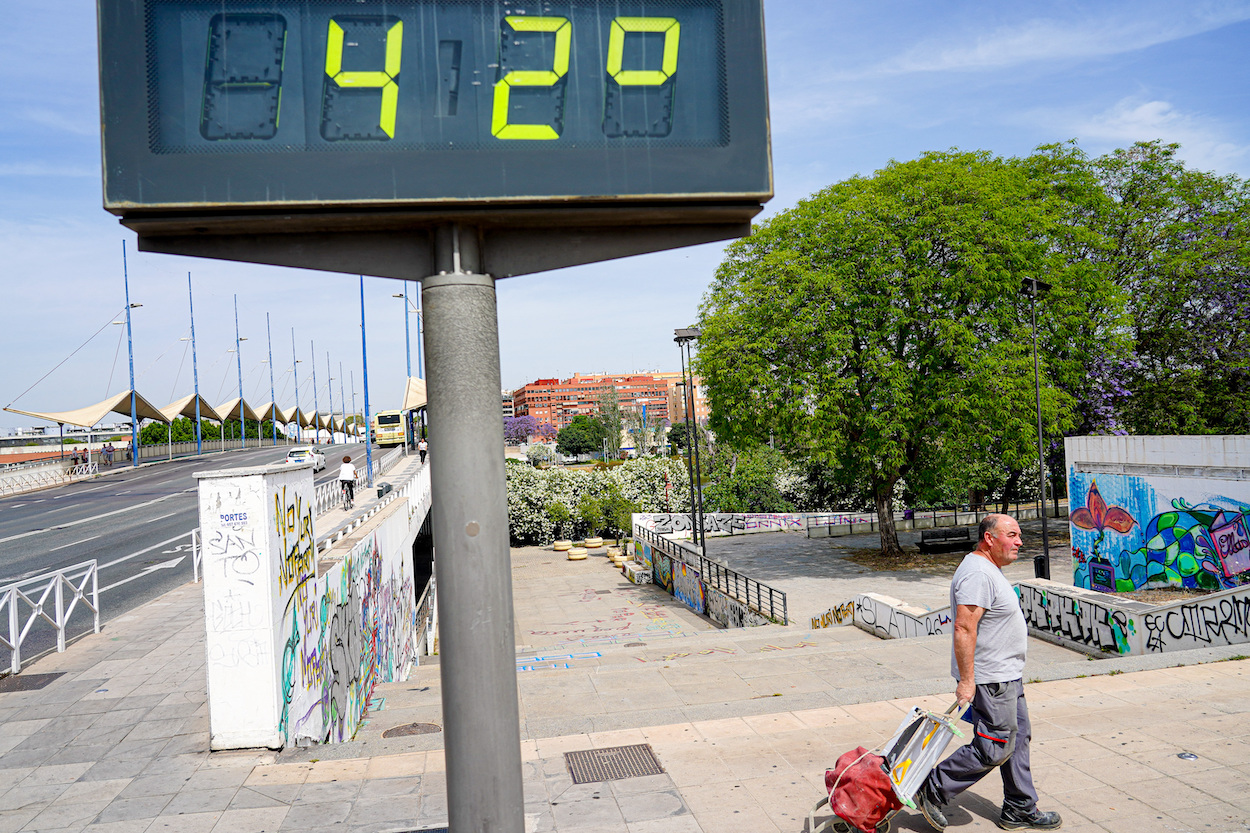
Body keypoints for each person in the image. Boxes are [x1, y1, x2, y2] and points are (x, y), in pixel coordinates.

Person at [914, 514, 1061, 832]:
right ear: (989, 538)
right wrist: (967, 681)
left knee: (1018, 738)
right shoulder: (978, 573)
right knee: (994, 744)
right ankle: (932, 789)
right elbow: (964, 627)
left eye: (1019, 535)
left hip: (1006, 674)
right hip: (990, 679)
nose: (1019, 541)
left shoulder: (986, 569)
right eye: (1012, 534)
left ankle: (1019, 807)